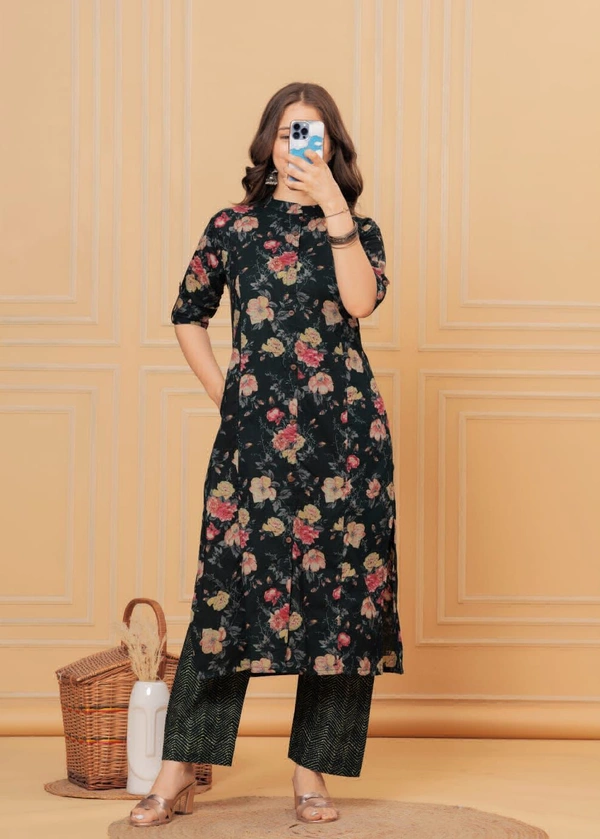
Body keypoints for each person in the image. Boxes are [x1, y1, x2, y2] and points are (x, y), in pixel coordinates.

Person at [129, 81, 403, 828]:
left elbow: (360, 303)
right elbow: (188, 313)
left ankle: (312, 773)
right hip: (254, 441)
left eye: (312, 134)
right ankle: (177, 770)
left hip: (347, 441)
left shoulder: (360, 229)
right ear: (267, 145)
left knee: (342, 605)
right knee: (224, 599)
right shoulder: (233, 226)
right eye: (287, 133)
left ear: (332, 147)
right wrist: (228, 395)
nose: (297, 146)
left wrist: (335, 210)